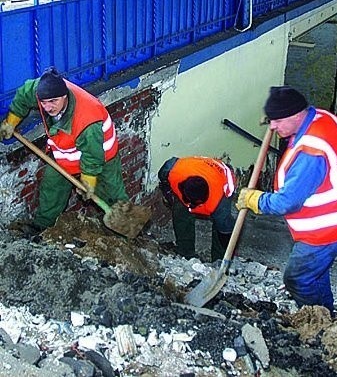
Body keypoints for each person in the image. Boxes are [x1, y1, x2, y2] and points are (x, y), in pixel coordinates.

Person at [236, 86, 337, 314]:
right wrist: (277, 117)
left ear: (296, 115)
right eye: (270, 120)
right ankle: (328, 312)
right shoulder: (324, 118)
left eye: (277, 121)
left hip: (325, 230)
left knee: (298, 279)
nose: (272, 127)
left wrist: (255, 199)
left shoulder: (310, 155)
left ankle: (319, 322)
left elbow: (287, 202)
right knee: (316, 272)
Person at [0, 67, 128, 235]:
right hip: (65, 152)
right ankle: (44, 225)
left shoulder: (87, 119)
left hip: (102, 156)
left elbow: (92, 157)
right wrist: (11, 121)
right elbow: (24, 94)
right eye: (44, 102)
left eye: (53, 101)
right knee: (52, 187)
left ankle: (126, 230)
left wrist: (88, 182)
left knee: (112, 193)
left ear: (65, 96)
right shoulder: (43, 89)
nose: (48, 107)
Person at [158, 156, 236, 261]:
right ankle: (185, 251)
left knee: (221, 226)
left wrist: (227, 250)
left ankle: (219, 260)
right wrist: (167, 191)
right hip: (195, 167)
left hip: (222, 176)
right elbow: (166, 170)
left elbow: (226, 232)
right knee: (180, 211)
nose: (191, 206)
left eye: (194, 204)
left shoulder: (219, 203)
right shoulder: (172, 172)